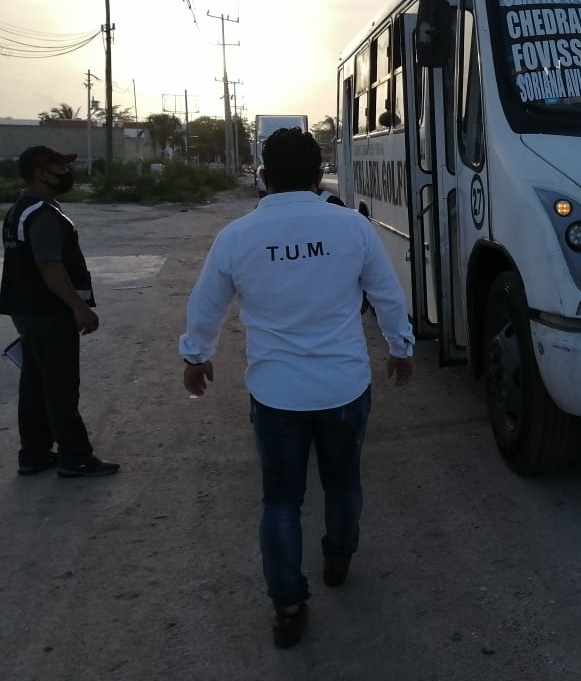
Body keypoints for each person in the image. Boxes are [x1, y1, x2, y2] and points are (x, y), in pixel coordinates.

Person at [178, 127, 415, 649]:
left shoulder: (237, 237)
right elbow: (388, 297)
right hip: (344, 387)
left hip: (277, 394)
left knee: (281, 501)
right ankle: (338, 557)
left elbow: (206, 307)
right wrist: (401, 349)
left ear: (263, 176)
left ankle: (287, 605)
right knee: (343, 481)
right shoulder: (351, 228)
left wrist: (196, 357)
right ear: (316, 175)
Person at [0, 146, 120, 478]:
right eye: (59, 166)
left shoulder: (22, 208)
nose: (66, 172)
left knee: (36, 384)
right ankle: (75, 457)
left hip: (28, 310)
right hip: (48, 312)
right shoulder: (42, 213)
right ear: (41, 172)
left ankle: (35, 453)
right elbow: (50, 265)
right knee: (60, 387)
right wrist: (79, 307)